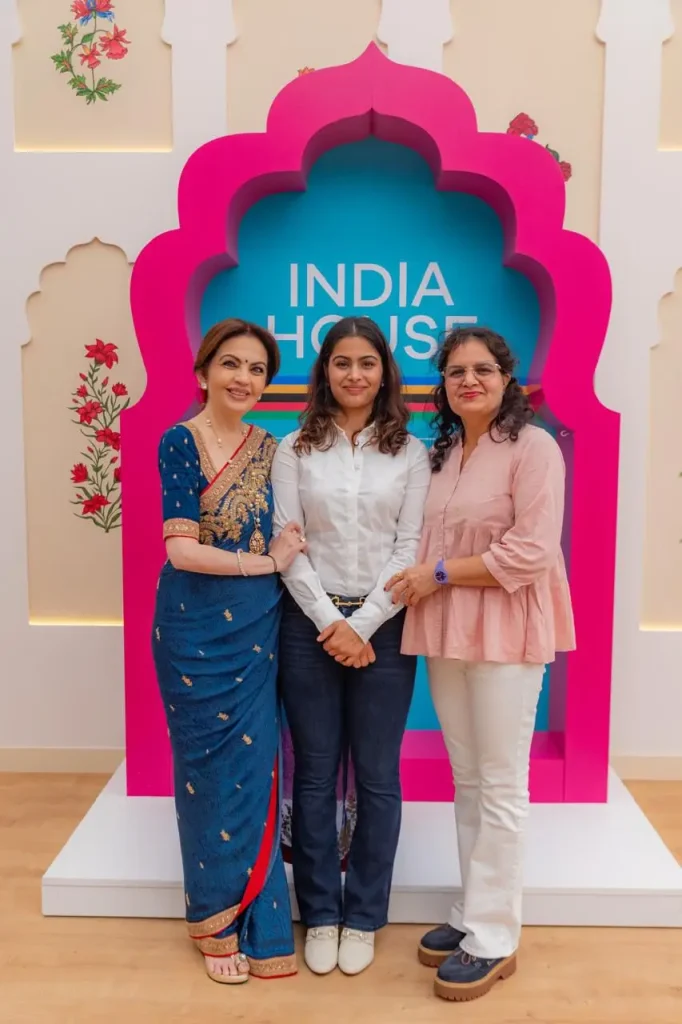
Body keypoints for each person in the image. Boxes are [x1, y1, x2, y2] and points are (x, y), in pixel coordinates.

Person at [388, 326, 575, 1002]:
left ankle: (496, 937)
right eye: (456, 372)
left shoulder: (534, 447)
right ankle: (473, 911)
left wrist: (438, 572)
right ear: (442, 383)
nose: (469, 381)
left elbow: (531, 552)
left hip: (508, 631)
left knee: (500, 784)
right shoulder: (440, 454)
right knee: (468, 778)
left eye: (482, 370)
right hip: (448, 633)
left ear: (507, 379)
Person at [271, 316, 431, 977]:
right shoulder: (294, 449)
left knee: (377, 777)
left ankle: (364, 913)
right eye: (342, 362)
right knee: (312, 776)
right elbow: (288, 541)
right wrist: (327, 623)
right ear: (324, 371)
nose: (355, 374)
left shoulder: (412, 453)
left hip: (386, 628)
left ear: (385, 372)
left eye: (368, 362)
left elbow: (409, 549)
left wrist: (360, 626)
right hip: (306, 623)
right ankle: (322, 913)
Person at [152, 318, 307, 985]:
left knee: (257, 767)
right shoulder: (179, 442)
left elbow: (295, 530)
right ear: (203, 371)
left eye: (256, 370)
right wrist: (262, 565)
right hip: (193, 635)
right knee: (206, 775)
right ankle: (214, 918)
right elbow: (180, 548)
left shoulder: (274, 448)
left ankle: (263, 920)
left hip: (257, 632)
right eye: (231, 365)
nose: (244, 378)